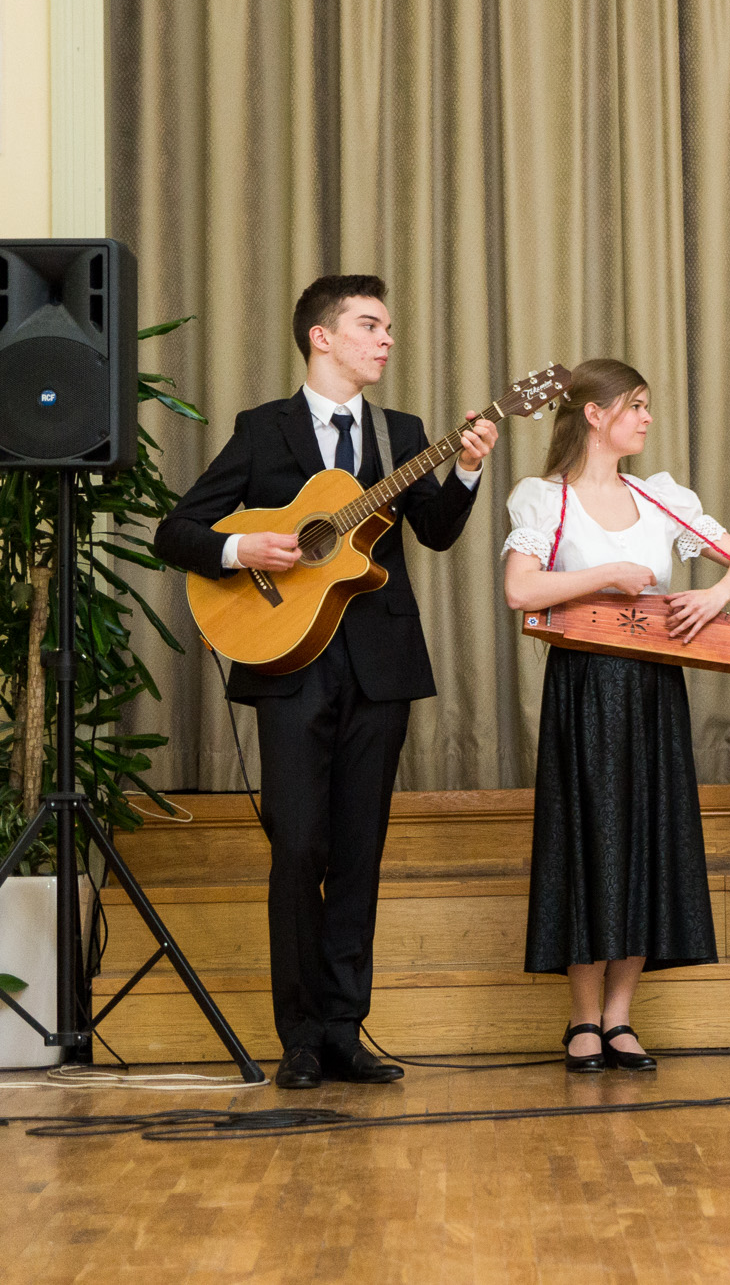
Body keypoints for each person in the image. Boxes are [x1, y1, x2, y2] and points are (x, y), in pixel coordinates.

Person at [154, 274, 498, 1089]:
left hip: (379, 665)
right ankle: (300, 1037)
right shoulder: (262, 429)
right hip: (287, 662)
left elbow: (435, 532)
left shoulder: (400, 433)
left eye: (388, 328)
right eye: (370, 325)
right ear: (322, 337)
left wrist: (466, 471)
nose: (386, 339)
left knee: (358, 851)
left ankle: (344, 1031)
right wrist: (244, 550)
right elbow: (177, 530)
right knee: (298, 847)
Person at [502, 359, 730, 1073]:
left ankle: (620, 1017)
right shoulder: (545, 498)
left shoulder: (661, 496)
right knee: (587, 841)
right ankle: (582, 1019)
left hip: (654, 687)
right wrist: (606, 576)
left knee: (648, 838)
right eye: (636, 405)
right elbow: (521, 590)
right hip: (583, 686)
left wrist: (713, 598)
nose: (647, 418)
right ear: (595, 414)